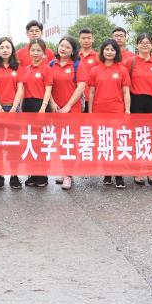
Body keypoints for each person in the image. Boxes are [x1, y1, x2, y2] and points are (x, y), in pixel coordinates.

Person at [88, 39, 131, 189]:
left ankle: (118, 174)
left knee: (117, 142)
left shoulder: (122, 69)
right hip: (99, 111)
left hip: (117, 111)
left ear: (116, 52)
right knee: (104, 142)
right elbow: (91, 92)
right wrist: (90, 110)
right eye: (106, 49)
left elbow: (126, 91)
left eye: (112, 50)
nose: (109, 52)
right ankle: (107, 173)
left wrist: (127, 109)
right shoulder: (95, 70)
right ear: (102, 51)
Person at [125, 33, 152, 186]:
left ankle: (151, 171)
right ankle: (137, 171)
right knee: (137, 137)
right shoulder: (131, 62)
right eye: (142, 42)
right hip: (136, 101)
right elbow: (125, 85)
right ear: (137, 45)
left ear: (151, 45)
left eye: (147, 42)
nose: (145, 44)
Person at [49, 36, 88, 191]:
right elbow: (47, 86)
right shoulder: (52, 64)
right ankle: (64, 170)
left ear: (72, 51)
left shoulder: (78, 65)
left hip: (72, 110)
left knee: (70, 142)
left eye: (67, 47)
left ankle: (68, 174)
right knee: (60, 141)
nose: (63, 49)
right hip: (56, 110)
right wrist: (52, 103)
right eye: (61, 46)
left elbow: (81, 87)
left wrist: (68, 106)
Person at [0, 37, 24, 189]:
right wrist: (0, 109)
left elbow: (20, 89)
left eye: (8, 47)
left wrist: (14, 108)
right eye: (2, 47)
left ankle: (14, 175)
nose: (5, 50)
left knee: (14, 144)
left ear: (12, 50)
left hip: (15, 109)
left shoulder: (17, 67)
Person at [20, 38, 53, 187]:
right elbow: (22, 89)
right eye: (33, 50)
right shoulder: (26, 69)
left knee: (42, 141)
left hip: (41, 106)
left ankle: (43, 175)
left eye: (38, 50)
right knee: (31, 140)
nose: (35, 53)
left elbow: (48, 89)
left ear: (43, 52)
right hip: (27, 105)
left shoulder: (46, 69)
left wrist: (43, 108)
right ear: (29, 52)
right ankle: (33, 173)